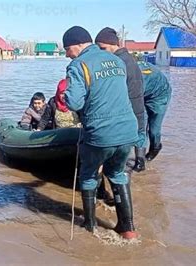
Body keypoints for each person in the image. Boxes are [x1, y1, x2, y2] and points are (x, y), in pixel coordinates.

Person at [63, 26, 139, 239]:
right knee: (117, 174)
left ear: (78, 45)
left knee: (87, 176)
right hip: (128, 130)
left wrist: (66, 95)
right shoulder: (116, 60)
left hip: (101, 133)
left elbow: (75, 101)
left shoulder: (78, 65)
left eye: (68, 49)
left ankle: (90, 228)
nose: (67, 54)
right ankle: (128, 229)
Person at [95, 27, 147, 172]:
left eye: (102, 48)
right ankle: (139, 163)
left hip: (129, 113)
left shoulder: (119, 62)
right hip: (136, 110)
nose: (101, 52)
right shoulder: (127, 59)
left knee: (124, 165)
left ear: (112, 44)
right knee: (128, 158)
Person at [137, 61, 172, 161]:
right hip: (143, 95)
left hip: (160, 96)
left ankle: (155, 148)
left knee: (153, 130)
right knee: (141, 126)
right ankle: (140, 158)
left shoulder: (138, 79)